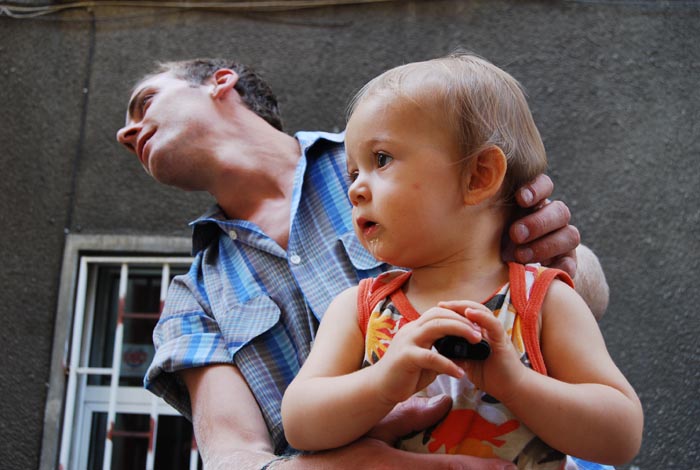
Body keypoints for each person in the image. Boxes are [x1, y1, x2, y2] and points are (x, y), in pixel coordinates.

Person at [115, 57, 610, 469]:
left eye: (145, 102)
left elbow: (584, 295)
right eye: (355, 173)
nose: (124, 132)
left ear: (220, 82)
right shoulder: (193, 296)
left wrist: (549, 263)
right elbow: (231, 457)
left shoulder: (415, 139)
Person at [281, 53, 642, 469]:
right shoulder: (360, 309)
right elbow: (300, 424)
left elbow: (621, 437)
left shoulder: (542, 300)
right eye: (353, 173)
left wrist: (516, 383)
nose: (355, 189)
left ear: (479, 176)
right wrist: (381, 382)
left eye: (381, 159)